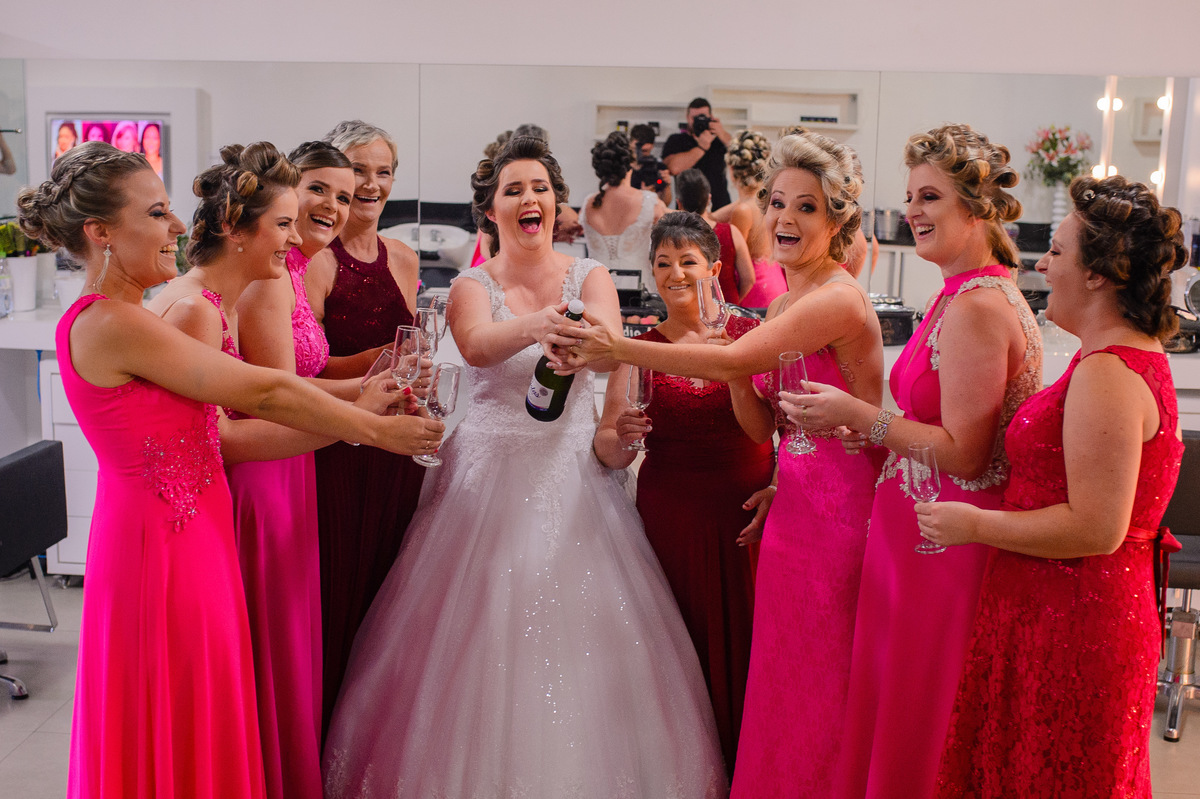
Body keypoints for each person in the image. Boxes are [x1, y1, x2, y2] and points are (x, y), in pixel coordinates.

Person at [15, 142, 443, 799]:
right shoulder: (110, 324)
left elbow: (215, 432)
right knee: (176, 706)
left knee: (203, 708)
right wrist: (374, 430)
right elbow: (263, 391)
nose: (179, 227)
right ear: (101, 234)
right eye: (157, 213)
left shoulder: (128, 319)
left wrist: (362, 403)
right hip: (158, 553)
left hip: (197, 536)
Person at [321, 136, 726, 798]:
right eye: (514, 190)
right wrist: (547, 323)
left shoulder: (588, 276)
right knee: (467, 636)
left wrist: (579, 343)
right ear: (490, 210)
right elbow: (478, 348)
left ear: (556, 202)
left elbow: (605, 350)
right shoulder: (468, 285)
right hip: (483, 476)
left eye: (539, 187)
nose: (529, 198)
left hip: (572, 475)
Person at [568, 130, 884, 797]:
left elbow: (738, 366)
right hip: (785, 502)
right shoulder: (786, 304)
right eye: (778, 203)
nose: (785, 219)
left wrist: (620, 346)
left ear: (838, 218)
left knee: (815, 674)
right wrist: (783, 478)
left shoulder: (835, 297)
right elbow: (780, 424)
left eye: (806, 207)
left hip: (833, 510)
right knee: (784, 675)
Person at [788, 123, 1042, 799]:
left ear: (978, 207)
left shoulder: (981, 307)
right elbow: (925, 427)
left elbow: (964, 451)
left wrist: (860, 416)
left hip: (944, 544)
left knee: (924, 720)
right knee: (898, 708)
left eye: (930, 196)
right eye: (909, 196)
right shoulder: (959, 293)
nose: (913, 211)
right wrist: (871, 433)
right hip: (913, 531)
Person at [925, 176, 1186, 798]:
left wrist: (974, 524)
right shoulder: (1112, 359)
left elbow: (1097, 527)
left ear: (1098, 275)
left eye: (1059, 251)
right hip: (1052, 604)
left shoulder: (1110, 373)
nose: (1041, 261)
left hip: (1074, 618)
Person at [593, 210, 773, 774]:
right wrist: (622, 437)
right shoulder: (640, 346)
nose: (674, 274)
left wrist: (734, 367)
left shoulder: (750, 337)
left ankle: (749, 765)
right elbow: (607, 445)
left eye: (687, 262)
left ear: (714, 270)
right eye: (663, 264)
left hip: (743, 510)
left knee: (747, 640)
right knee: (680, 646)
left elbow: (766, 431)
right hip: (670, 514)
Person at [304, 119, 433, 738]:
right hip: (340, 447)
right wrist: (387, 357)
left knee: (390, 599)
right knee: (339, 594)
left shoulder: (403, 258)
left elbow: (412, 350)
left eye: (384, 172)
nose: (372, 185)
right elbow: (307, 366)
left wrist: (420, 373)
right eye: (359, 171)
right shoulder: (314, 263)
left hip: (396, 455)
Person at [578, 130, 668, 290]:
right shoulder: (648, 202)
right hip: (638, 291)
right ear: (630, 165)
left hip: (596, 289)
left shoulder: (588, 204)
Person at [713, 130, 786, 307]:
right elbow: (712, 217)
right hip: (776, 284)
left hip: (754, 291)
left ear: (731, 170)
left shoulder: (743, 210)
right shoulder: (768, 201)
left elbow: (734, 261)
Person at [674, 168, 753, 304]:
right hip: (726, 308)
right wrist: (732, 302)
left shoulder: (675, 238)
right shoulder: (731, 232)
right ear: (709, 198)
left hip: (689, 309)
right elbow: (749, 278)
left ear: (679, 203)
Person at [662, 97, 732, 210]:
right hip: (686, 211)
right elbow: (673, 168)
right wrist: (702, 147)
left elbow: (741, 153)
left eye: (702, 117)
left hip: (720, 208)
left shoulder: (718, 139)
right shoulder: (676, 140)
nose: (698, 121)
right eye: (694, 118)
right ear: (687, 117)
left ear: (711, 117)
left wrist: (722, 133)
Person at [629, 123, 673, 206]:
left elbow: (665, 203)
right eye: (637, 150)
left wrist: (667, 186)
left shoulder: (659, 168)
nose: (640, 154)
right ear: (630, 144)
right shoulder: (622, 167)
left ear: (652, 146)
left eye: (645, 151)